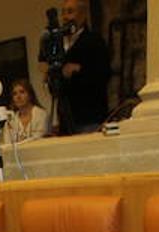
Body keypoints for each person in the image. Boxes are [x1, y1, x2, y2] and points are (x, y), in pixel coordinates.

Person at [54, 0, 110, 134]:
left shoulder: (94, 41)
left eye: (70, 12)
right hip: (66, 120)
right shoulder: (59, 46)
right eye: (63, 13)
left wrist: (79, 70)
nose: (65, 17)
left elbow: (103, 74)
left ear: (83, 15)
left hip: (89, 117)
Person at [1, 78, 49, 145]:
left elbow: (38, 138)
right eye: (15, 94)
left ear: (30, 95)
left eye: (22, 92)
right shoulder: (11, 119)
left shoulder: (41, 114)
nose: (18, 96)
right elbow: (7, 143)